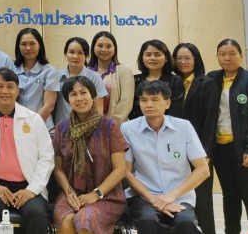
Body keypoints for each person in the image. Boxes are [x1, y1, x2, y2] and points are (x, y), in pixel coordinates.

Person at [121, 80, 210, 234]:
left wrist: (171, 196)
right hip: (143, 196)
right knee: (147, 220)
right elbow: (126, 172)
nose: (148, 104)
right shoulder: (128, 129)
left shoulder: (184, 127)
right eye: (143, 100)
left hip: (179, 196)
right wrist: (155, 200)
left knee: (185, 222)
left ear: (167, 103)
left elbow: (203, 169)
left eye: (154, 99)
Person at [0, 67, 53, 234]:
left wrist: (32, 189)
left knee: (36, 213)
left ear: (18, 90)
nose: (5, 91)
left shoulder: (34, 119)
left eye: (10, 86)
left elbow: (47, 158)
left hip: (28, 185)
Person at [207, 39, 248, 234]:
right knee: (230, 196)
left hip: (246, 150)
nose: (227, 58)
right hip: (221, 149)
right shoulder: (211, 79)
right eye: (222, 54)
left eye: (232, 53)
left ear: (241, 56)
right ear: (217, 56)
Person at [52, 76, 128, 234]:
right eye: (73, 94)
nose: (79, 98)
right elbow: (58, 169)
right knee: (65, 220)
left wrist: (96, 194)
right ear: (68, 100)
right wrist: (68, 191)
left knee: (86, 218)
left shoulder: (109, 126)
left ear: (93, 96)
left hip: (107, 195)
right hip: (71, 193)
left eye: (83, 92)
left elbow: (120, 169)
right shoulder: (62, 128)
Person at [172, 42, 219, 234]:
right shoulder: (172, 83)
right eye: (179, 58)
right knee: (178, 199)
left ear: (195, 60)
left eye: (187, 58)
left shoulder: (206, 83)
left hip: (199, 152)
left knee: (203, 200)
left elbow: (211, 120)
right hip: (175, 151)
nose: (183, 62)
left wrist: (206, 153)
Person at [12, 28, 60, 128]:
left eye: (32, 44)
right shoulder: (12, 69)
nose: (28, 48)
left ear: (40, 46)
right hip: (17, 125)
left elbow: (49, 106)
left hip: (43, 126)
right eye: (23, 44)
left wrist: (31, 126)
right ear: (18, 47)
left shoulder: (50, 71)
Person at [54, 37, 108, 126]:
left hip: (88, 127)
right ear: (65, 54)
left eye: (80, 53)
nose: (75, 56)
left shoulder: (94, 77)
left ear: (86, 55)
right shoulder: (57, 76)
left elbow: (99, 108)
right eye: (71, 52)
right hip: (63, 128)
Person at [129, 39, 184, 120]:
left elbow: (176, 111)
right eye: (148, 55)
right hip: (137, 128)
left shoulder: (175, 80)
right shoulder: (134, 80)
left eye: (157, 55)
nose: (152, 58)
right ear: (142, 58)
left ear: (166, 58)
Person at [88, 31, 134, 123]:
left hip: (115, 127)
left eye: (109, 46)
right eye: (100, 46)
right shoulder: (86, 72)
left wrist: (110, 125)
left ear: (115, 49)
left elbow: (126, 102)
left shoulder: (124, 71)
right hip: (88, 126)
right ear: (93, 47)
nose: (104, 49)